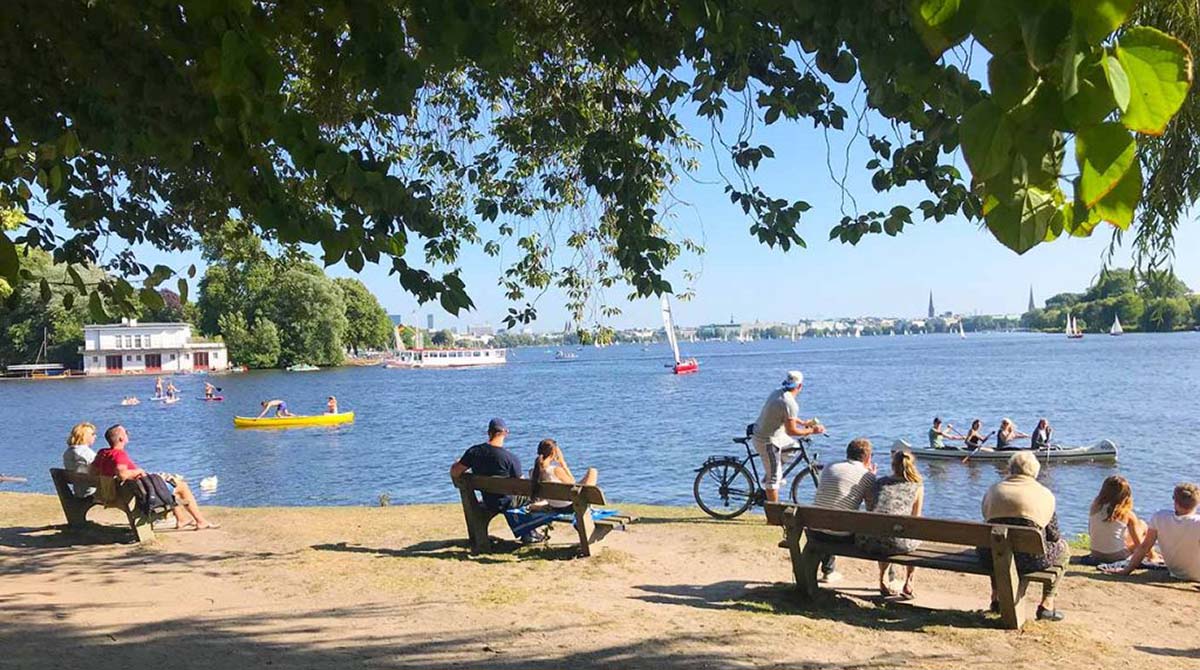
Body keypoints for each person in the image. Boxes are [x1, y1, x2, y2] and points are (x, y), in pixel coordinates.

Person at [980, 452, 1067, 622]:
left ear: (1010, 469)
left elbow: (986, 518)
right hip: (1031, 559)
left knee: (996, 543)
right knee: (1064, 548)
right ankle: (1047, 604)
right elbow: (1054, 535)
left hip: (991, 557)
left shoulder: (994, 490)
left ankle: (997, 597)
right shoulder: (1044, 494)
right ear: (1035, 471)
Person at [93, 424, 219, 530]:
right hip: (140, 493)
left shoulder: (103, 453)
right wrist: (139, 471)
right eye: (126, 432)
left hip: (113, 492)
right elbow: (122, 474)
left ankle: (181, 519)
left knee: (168, 482)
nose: (128, 434)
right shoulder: (120, 455)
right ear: (121, 438)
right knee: (181, 486)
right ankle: (201, 521)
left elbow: (93, 470)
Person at [450, 418, 541, 543]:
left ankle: (528, 532)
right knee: (535, 497)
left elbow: (455, 472)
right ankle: (529, 532)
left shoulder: (474, 452)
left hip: (489, 500)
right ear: (506, 433)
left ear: (489, 433)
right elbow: (523, 487)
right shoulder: (510, 458)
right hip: (507, 501)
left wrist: (456, 463)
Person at [856, 449, 924, 598]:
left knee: (881, 530)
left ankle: (882, 578)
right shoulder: (917, 486)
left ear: (893, 465)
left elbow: (871, 509)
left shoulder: (880, 482)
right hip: (899, 543)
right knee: (914, 534)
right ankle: (909, 582)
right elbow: (915, 519)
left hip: (871, 540)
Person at [751, 370, 825, 504]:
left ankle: (769, 477)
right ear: (800, 386)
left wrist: (803, 423)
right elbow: (791, 431)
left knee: (794, 448)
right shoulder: (790, 403)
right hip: (767, 440)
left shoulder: (777, 392)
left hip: (770, 433)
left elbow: (786, 416)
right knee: (774, 479)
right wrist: (811, 431)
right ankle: (774, 515)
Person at [810, 438, 878, 584]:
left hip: (814, 530)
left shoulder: (830, 466)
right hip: (841, 535)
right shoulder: (868, 476)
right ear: (868, 457)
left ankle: (828, 571)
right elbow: (872, 508)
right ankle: (889, 579)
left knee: (830, 513)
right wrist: (872, 478)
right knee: (839, 522)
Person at [1111, 483, 1200, 581]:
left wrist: (1126, 570)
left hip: (1175, 571)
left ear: (1175, 501)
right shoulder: (1197, 522)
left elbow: (1144, 547)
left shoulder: (1160, 517)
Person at [1088, 475, 1159, 564]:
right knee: (1142, 525)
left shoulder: (1094, 508)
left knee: (1121, 534)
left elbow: (1090, 532)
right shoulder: (1127, 514)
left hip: (1095, 554)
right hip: (1117, 556)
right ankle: (1152, 556)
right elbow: (1139, 545)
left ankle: (1152, 554)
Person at [529, 438, 598, 511]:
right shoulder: (556, 470)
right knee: (592, 471)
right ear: (553, 453)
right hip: (569, 506)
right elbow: (573, 483)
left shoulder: (533, 472)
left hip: (553, 505)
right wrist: (563, 463)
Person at [62, 422, 98, 498]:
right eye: (92, 434)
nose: (95, 436)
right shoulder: (86, 453)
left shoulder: (67, 453)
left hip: (79, 490)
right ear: (84, 436)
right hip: (91, 492)